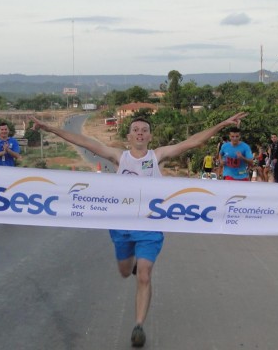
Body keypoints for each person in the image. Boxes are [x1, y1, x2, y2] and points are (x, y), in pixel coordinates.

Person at [30, 112, 247, 347]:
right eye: (136, 130)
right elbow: (83, 142)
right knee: (125, 271)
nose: (140, 133)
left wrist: (222, 123)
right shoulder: (118, 157)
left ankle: (139, 325)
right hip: (122, 225)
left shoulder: (158, 156)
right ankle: (131, 263)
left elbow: (193, 141)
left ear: (150, 136)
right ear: (129, 136)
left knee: (144, 275)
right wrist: (50, 129)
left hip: (150, 225)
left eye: (144, 130)